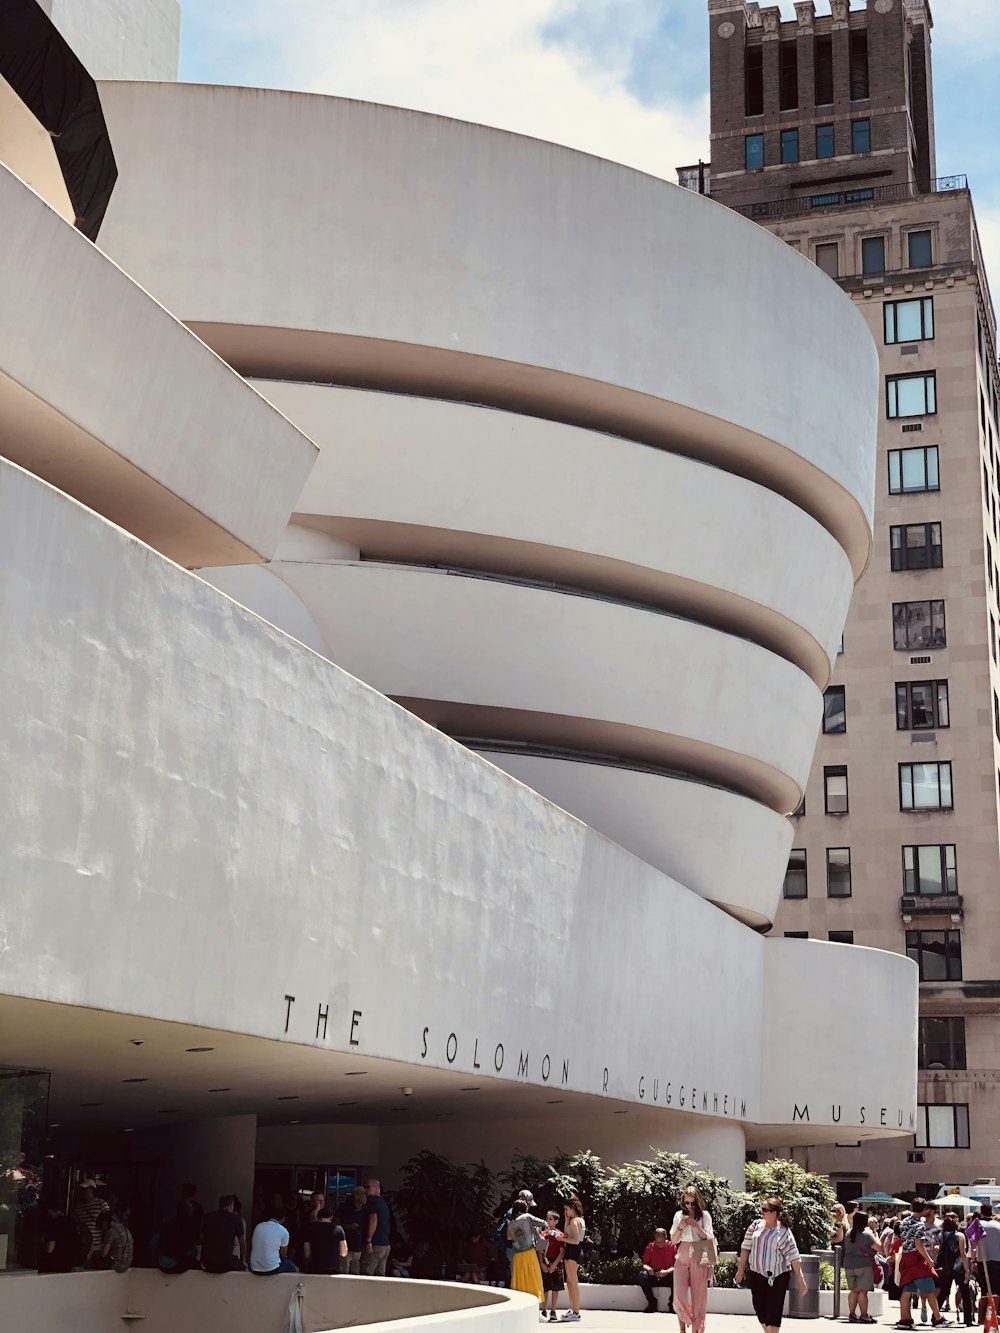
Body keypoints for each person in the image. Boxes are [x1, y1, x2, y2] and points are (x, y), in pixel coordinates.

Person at [734, 1197, 808, 1333]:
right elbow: (745, 1248)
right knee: (759, 1307)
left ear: (774, 1213)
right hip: (757, 1273)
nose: (761, 1212)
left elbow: (793, 1255)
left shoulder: (783, 1231)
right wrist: (740, 1270)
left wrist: (800, 1278)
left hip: (779, 1275)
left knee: (774, 1309)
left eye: (765, 1210)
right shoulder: (755, 1225)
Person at [671, 1185, 714, 1333]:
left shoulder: (705, 1216)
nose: (689, 1206)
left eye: (692, 1203)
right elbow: (674, 1240)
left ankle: (697, 1329)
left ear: (698, 1202)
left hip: (701, 1249)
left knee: (699, 1296)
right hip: (683, 1250)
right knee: (678, 1294)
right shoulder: (678, 1215)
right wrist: (680, 1227)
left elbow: (708, 1237)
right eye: (686, 1203)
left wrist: (696, 1226)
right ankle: (684, 1326)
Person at [897, 1197, 944, 1330]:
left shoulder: (904, 1222)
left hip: (906, 1257)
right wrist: (929, 1259)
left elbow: (903, 1238)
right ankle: (938, 1318)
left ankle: (904, 1318)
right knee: (930, 1289)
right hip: (917, 1258)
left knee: (907, 1290)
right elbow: (918, 1244)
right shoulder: (920, 1225)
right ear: (924, 1209)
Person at [506, 1199, 546, 1315]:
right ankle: (535, 1309)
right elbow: (543, 1223)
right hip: (529, 1252)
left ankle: (520, 1309)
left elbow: (509, 1238)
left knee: (520, 1280)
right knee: (533, 1278)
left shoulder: (510, 1223)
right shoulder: (527, 1217)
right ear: (525, 1209)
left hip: (517, 1255)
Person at [843, 1208, 882, 1323]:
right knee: (863, 1291)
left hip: (849, 1264)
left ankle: (852, 1314)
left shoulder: (848, 1233)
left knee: (854, 1290)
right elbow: (879, 1247)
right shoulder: (867, 1234)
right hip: (864, 1265)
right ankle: (864, 1315)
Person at [936, 1213, 972, 1326]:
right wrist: (967, 1270)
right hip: (958, 1267)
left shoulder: (941, 1235)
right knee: (965, 1293)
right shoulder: (960, 1236)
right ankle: (968, 1319)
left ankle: (935, 1316)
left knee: (943, 1292)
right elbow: (963, 1254)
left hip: (945, 1267)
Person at [201, 1195, 246, 1272]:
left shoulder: (208, 1216)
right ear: (231, 1205)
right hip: (226, 1262)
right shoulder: (236, 1218)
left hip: (207, 1262)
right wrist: (242, 1262)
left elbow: (201, 1238)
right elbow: (242, 1244)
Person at [639, 1226, 677, 1315]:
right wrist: (648, 1269)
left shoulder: (672, 1247)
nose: (658, 1238)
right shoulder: (650, 1246)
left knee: (678, 1277)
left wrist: (667, 1271)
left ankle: (672, 1304)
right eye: (656, 1236)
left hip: (668, 1275)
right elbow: (645, 1264)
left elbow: (677, 1265)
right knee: (642, 1275)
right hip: (654, 1274)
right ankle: (652, 1302)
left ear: (665, 1237)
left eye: (660, 1236)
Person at [560, 1196, 586, 1322]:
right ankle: (573, 1309)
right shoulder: (578, 1220)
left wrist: (562, 1239)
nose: (566, 1212)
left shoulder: (575, 1221)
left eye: (567, 1209)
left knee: (573, 1282)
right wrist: (566, 1220)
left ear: (572, 1208)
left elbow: (575, 1240)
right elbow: (567, 1234)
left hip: (573, 1251)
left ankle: (576, 1311)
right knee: (570, 1282)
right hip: (574, 1251)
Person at [250, 1205, 297, 1274]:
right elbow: (283, 1254)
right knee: (292, 1266)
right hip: (271, 1268)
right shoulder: (283, 1231)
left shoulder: (258, 1226)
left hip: (254, 1267)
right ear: (283, 1219)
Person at [37, 1197, 78, 1273]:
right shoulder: (72, 1221)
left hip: (56, 1263)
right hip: (70, 1263)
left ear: (50, 1210)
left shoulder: (54, 1223)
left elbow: (50, 1249)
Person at [72, 1179, 110, 1262]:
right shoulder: (79, 1207)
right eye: (82, 1190)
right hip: (83, 1244)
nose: (84, 1192)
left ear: (92, 1190)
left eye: (86, 1189)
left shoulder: (101, 1204)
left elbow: (107, 1222)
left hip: (97, 1244)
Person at [302, 1207, 348, 1274]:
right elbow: (344, 1253)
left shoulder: (310, 1229)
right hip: (334, 1269)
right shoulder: (339, 1230)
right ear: (331, 1217)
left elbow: (307, 1254)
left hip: (315, 1268)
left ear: (318, 1218)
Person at [361, 1178, 391, 1276]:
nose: (365, 1189)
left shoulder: (371, 1201)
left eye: (368, 1187)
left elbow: (373, 1219)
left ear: (377, 1189)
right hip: (385, 1245)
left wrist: (369, 1240)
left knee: (367, 1273)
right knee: (380, 1275)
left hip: (375, 1244)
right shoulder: (383, 1203)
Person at [539, 1211, 566, 1320]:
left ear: (556, 1221)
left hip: (556, 1262)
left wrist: (554, 1265)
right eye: (547, 1219)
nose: (548, 1221)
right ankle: (544, 1310)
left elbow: (561, 1252)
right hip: (545, 1261)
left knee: (555, 1288)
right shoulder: (543, 1234)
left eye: (550, 1219)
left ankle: (553, 1311)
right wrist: (542, 1264)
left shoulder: (559, 1235)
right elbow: (540, 1250)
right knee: (545, 1287)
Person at [975, 1202, 1000, 1312]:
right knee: (997, 1286)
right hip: (998, 1259)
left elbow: (973, 1243)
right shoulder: (998, 1225)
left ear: (981, 1212)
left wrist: (973, 1260)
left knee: (984, 1287)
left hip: (982, 1259)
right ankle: (997, 1309)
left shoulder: (977, 1224)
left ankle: (986, 1310)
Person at [96, 1204, 134, 1273]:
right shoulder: (121, 1227)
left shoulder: (110, 1231)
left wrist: (95, 1250)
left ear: (104, 1223)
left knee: (95, 1257)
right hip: (127, 1264)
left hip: (118, 1267)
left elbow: (104, 1254)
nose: (102, 1230)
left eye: (101, 1227)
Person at [340, 1185, 367, 1275]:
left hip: (358, 1247)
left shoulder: (365, 1210)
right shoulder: (345, 1208)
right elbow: (335, 1223)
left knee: (355, 1274)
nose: (365, 1197)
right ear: (356, 1196)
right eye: (363, 1194)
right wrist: (348, 1226)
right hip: (347, 1246)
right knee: (344, 1272)